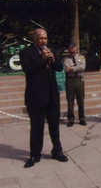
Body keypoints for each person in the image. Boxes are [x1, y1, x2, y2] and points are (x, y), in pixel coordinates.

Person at [19, 29, 68, 168]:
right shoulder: (26, 52)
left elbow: (59, 67)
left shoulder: (51, 49)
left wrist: (52, 58)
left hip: (52, 95)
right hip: (35, 96)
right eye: (41, 38)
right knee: (36, 127)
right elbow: (28, 69)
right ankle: (35, 154)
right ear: (34, 39)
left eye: (45, 38)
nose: (43, 41)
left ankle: (57, 151)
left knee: (54, 125)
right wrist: (42, 58)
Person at [63, 43, 86, 127]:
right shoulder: (66, 59)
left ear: (76, 50)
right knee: (70, 101)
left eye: (73, 52)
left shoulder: (81, 57)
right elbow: (67, 69)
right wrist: (77, 68)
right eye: (71, 52)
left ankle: (82, 118)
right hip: (70, 81)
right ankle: (71, 119)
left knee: (81, 100)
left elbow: (83, 67)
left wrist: (72, 68)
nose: (72, 54)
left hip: (79, 80)